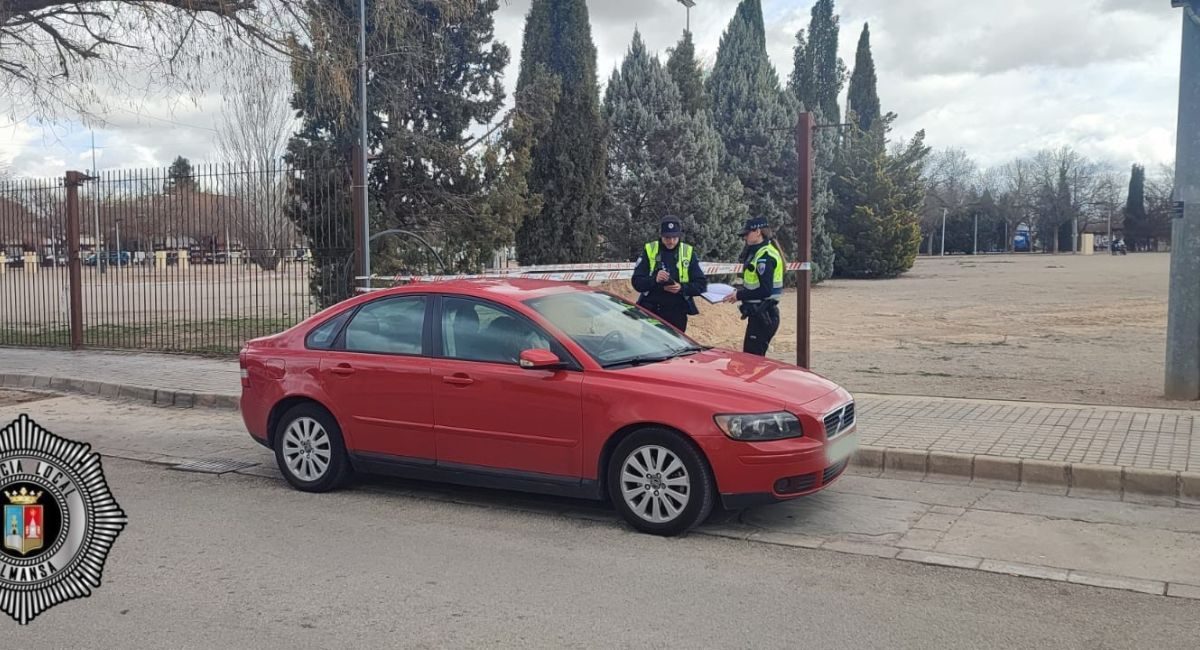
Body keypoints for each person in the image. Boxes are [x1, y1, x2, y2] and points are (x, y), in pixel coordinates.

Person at [631, 216, 708, 332]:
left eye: (674, 237)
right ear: (661, 236)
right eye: (667, 237)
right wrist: (654, 279)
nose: (671, 241)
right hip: (653, 311)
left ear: (679, 236)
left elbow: (701, 285)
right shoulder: (650, 250)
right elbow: (637, 282)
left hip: (677, 312)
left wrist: (681, 288)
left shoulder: (688, 252)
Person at [723, 216, 784, 356]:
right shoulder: (759, 252)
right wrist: (738, 291)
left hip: (764, 315)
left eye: (747, 233)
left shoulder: (765, 256)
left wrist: (739, 295)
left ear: (758, 231)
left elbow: (765, 290)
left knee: (753, 363)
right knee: (753, 360)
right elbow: (754, 285)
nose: (745, 237)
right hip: (759, 314)